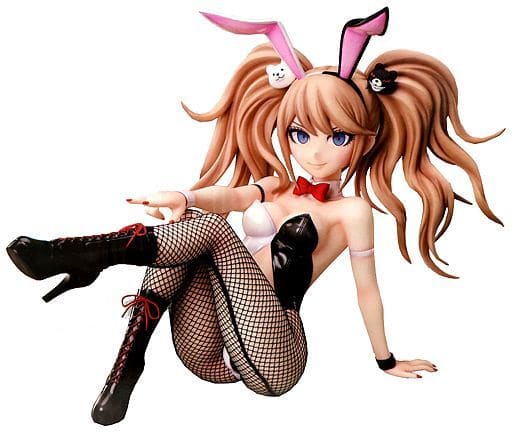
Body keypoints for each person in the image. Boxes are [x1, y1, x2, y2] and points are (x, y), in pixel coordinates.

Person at [5, 8, 503, 426]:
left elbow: (367, 290)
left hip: (274, 354)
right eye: (300, 134)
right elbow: (229, 196)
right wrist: (183, 196)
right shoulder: (277, 184)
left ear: (365, 140)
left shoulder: (352, 211)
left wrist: (386, 360)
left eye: (338, 137)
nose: (316, 152)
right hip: (207, 349)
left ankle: (88, 257)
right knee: (191, 224)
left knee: (208, 230)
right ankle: (124, 370)